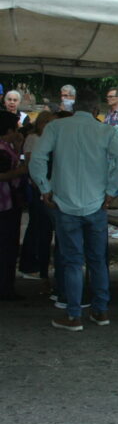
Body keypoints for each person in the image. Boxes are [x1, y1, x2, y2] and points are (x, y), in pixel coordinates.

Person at [28, 90, 118, 329]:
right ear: (96, 110)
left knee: (73, 261)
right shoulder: (105, 130)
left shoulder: (57, 128)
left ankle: (74, 315)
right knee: (97, 260)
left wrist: (45, 187)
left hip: (64, 204)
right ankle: (101, 311)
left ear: (74, 108)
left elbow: (37, 159)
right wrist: (110, 191)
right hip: (97, 204)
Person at [18, 112, 57, 281]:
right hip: (38, 187)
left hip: (49, 186)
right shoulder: (33, 138)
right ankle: (30, 264)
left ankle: (41, 265)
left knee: (44, 228)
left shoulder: (53, 139)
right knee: (37, 226)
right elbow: (30, 162)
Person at [0, 111, 26, 300]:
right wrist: (22, 169)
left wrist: (17, 149)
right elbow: (3, 175)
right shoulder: (1, 149)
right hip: (5, 204)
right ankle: (5, 288)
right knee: (6, 246)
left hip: (9, 203)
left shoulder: (7, 147)